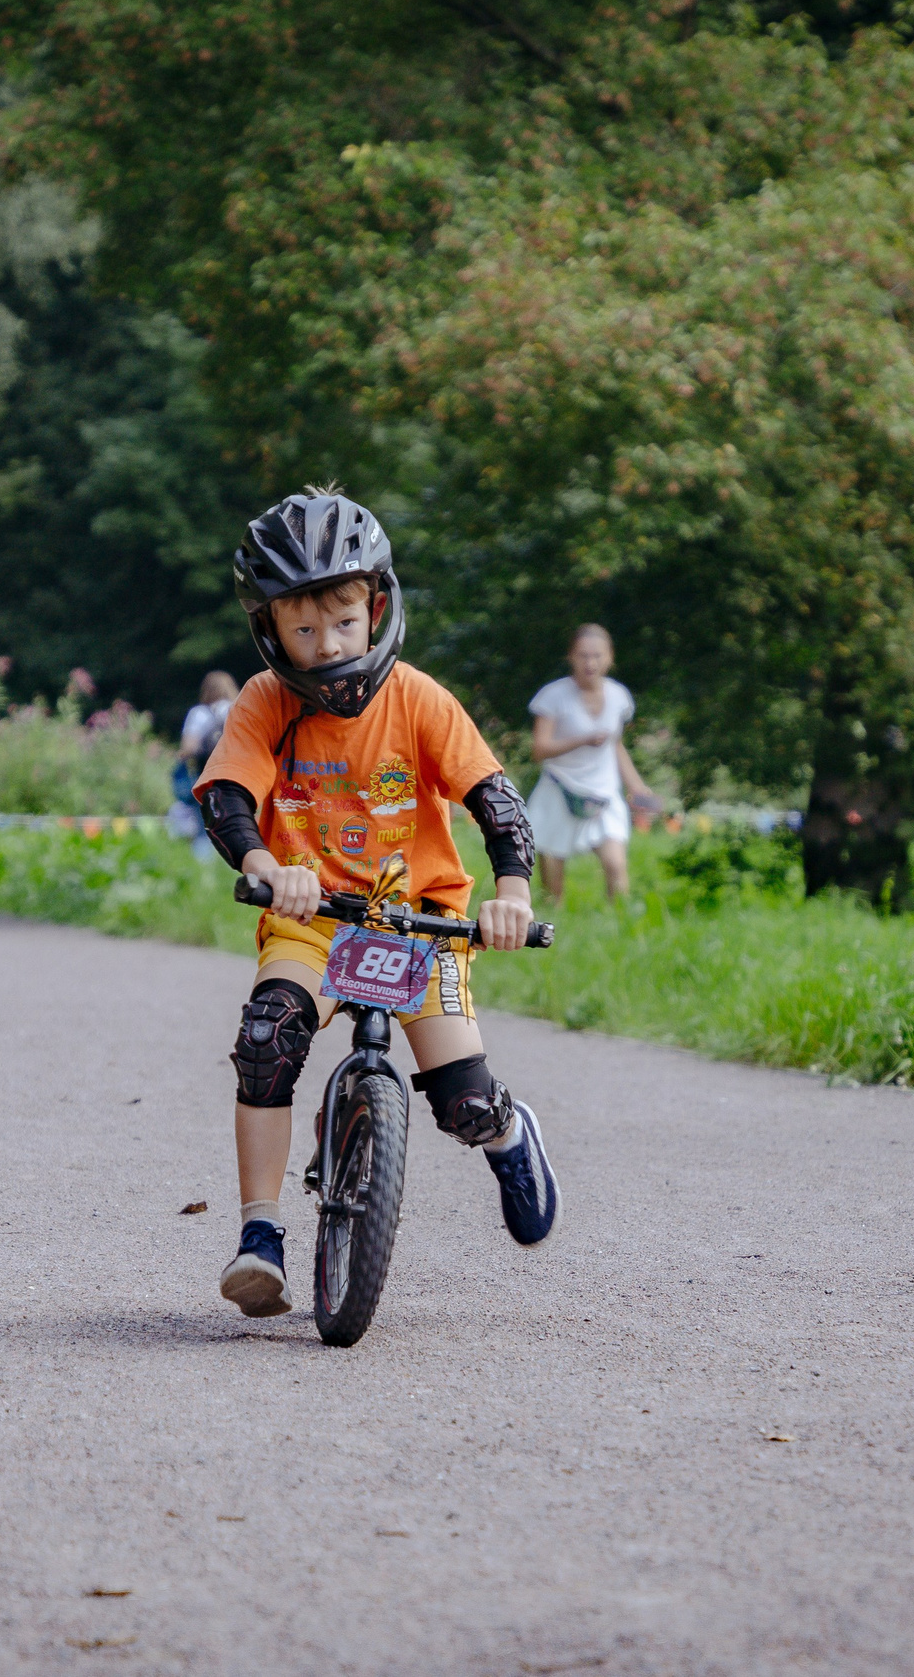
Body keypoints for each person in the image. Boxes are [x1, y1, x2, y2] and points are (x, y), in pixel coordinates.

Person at [195, 487, 560, 1318]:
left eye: (344, 622)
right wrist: (263, 860)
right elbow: (226, 797)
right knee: (269, 1038)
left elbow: (494, 797)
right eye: (303, 628)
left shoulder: (419, 698)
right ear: (272, 631)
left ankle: (506, 1135)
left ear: (378, 608)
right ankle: (260, 1235)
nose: (326, 647)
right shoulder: (266, 701)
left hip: (421, 919)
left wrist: (511, 892)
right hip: (313, 918)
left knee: (461, 1097)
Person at [528, 624, 659, 903]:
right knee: (553, 890)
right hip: (559, 790)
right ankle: (553, 931)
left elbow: (615, 745)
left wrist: (637, 787)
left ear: (610, 657)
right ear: (570, 657)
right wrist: (582, 740)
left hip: (604, 792)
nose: (590, 663)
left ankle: (620, 929)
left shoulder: (619, 697)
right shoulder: (552, 696)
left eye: (597, 656)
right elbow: (539, 749)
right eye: (583, 656)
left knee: (616, 867)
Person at [168, 671, 239, 843]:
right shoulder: (239, 709)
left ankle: (205, 859)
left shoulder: (199, 713)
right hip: (237, 775)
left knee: (205, 823)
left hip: (207, 775)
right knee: (236, 820)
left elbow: (189, 748)